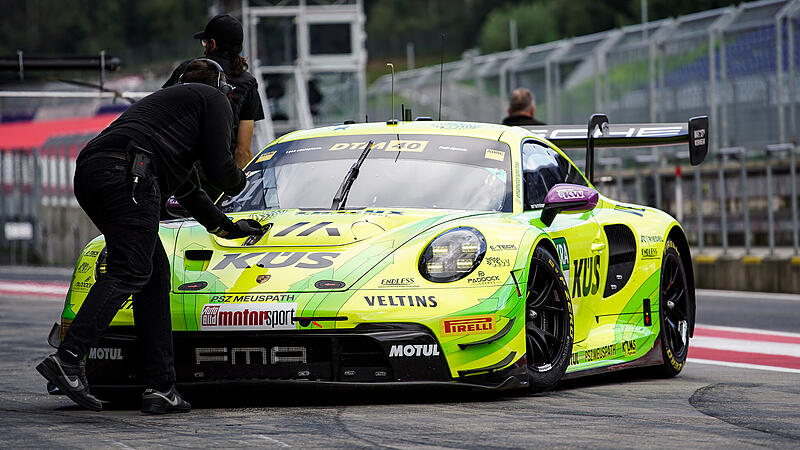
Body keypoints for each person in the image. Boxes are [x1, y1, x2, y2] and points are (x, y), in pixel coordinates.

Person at [36, 60, 263, 414]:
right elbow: (221, 171)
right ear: (222, 89)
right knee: (130, 270)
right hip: (130, 172)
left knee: (153, 275)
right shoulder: (213, 98)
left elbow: (191, 194)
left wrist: (228, 228)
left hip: (95, 170)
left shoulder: (167, 120)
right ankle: (68, 358)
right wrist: (241, 180)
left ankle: (161, 387)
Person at [164, 14, 265, 191]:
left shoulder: (185, 70)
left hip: (178, 177)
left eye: (205, 42)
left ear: (213, 44)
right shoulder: (248, 83)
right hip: (217, 181)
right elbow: (242, 152)